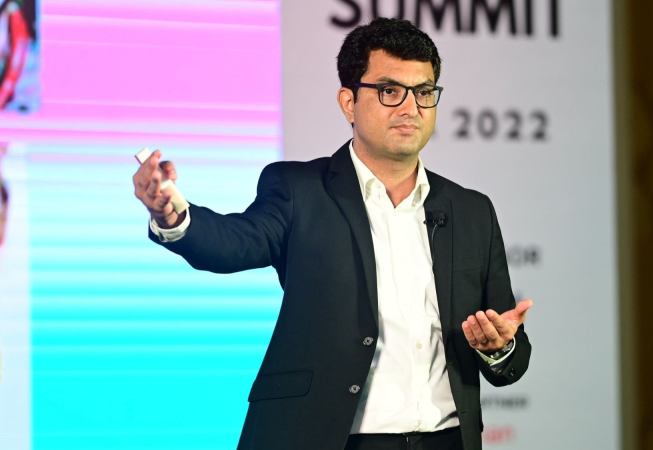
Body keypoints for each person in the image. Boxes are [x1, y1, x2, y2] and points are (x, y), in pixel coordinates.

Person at [133, 18, 532, 450]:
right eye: (390, 91)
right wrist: (172, 215)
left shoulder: (471, 210)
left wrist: (498, 346)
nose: (410, 108)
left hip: (446, 440)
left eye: (423, 92)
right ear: (348, 102)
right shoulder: (299, 190)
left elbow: (509, 349)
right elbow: (234, 242)